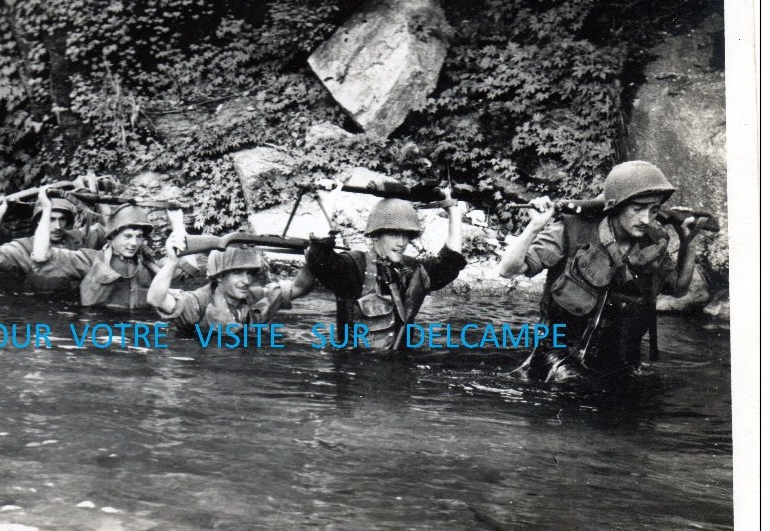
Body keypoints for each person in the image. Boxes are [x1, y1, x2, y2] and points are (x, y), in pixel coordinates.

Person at [497, 160, 704, 383]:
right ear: (616, 205)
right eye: (637, 209)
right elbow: (508, 270)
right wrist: (535, 227)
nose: (646, 219)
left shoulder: (653, 243)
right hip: (557, 362)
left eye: (653, 210)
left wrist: (688, 241)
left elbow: (679, 289)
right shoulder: (571, 230)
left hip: (620, 366)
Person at [303, 189, 467, 351]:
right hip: (355, 370)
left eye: (406, 235)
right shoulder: (354, 266)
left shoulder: (413, 270)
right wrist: (327, 200)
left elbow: (450, 263)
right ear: (375, 235)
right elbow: (319, 260)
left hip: (401, 368)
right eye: (394, 235)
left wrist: (453, 210)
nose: (402, 243)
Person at [29, 195, 191, 310]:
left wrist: (178, 224)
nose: (133, 243)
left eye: (139, 237)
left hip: (139, 335)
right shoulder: (90, 259)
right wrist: (46, 210)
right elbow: (41, 256)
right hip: (99, 334)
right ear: (112, 237)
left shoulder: (150, 264)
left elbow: (188, 269)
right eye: (127, 236)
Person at [147, 234, 310, 331]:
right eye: (237, 273)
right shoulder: (197, 303)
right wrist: (172, 262)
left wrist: (314, 258)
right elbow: (156, 299)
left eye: (249, 273)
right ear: (219, 276)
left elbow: (299, 287)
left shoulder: (257, 297)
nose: (246, 281)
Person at [0, 191, 106, 291]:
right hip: (39, 306)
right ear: (38, 221)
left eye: (62, 219)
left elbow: (111, 231)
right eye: (51, 219)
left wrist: (101, 199)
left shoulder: (79, 237)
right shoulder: (24, 247)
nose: (57, 226)